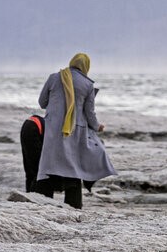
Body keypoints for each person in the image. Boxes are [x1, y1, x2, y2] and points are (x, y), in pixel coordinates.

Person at [35, 53, 116, 209]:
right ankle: (73, 206)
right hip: (74, 130)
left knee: (48, 165)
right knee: (73, 168)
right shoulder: (87, 84)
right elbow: (89, 113)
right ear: (86, 66)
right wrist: (97, 126)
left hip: (52, 127)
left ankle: (43, 205)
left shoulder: (54, 77)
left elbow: (42, 102)